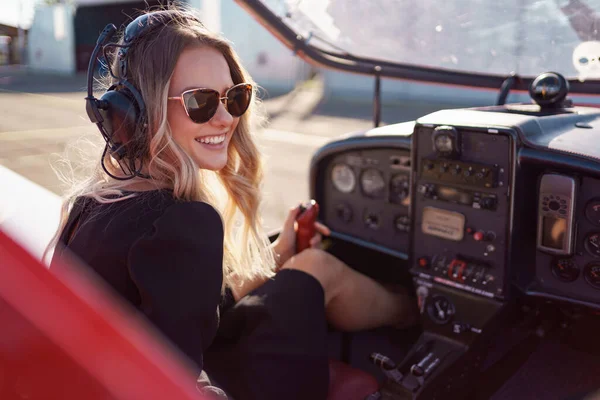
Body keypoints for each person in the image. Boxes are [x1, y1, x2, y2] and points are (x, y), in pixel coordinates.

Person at [47, 6, 417, 400]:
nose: (225, 118)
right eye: (200, 101)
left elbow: (180, 307)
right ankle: (422, 318)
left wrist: (278, 253)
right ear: (139, 113)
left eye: (234, 97)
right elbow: (174, 384)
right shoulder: (181, 221)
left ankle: (414, 310)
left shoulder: (91, 204)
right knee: (320, 268)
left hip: (150, 370)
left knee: (311, 262)